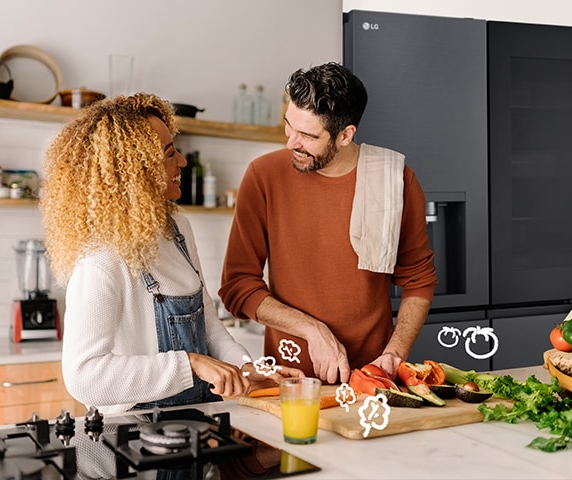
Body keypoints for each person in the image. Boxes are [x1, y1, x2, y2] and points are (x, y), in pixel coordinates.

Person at [40, 93, 301, 415]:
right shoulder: (101, 257)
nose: (182, 162)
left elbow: (207, 323)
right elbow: (84, 378)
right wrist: (189, 364)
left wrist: (245, 368)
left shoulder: (177, 227)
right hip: (136, 437)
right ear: (135, 170)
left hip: (197, 417)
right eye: (169, 154)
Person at [219, 62, 437, 385]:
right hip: (288, 382)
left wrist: (394, 353)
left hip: (371, 380)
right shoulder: (262, 176)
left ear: (345, 135)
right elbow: (237, 287)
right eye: (288, 126)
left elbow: (418, 281)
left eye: (307, 135)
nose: (291, 143)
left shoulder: (395, 181)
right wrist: (312, 329)